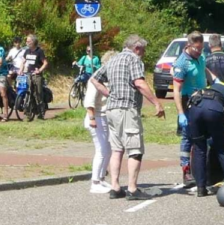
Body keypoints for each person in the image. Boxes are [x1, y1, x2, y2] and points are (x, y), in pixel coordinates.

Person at [90, 34, 166, 200]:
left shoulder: (113, 59)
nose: (143, 54)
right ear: (137, 48)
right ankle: (132, 188)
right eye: (143, 50)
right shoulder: (134, 59)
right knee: (135, 149)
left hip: (111, 109)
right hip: (127, 108)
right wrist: (156, 103)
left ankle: (115, 187)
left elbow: (94, 79)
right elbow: (139, 83)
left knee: (117, 149)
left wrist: (108, 93)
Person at [185, 77, 224, 197]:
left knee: (199, 148)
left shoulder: (217, 85)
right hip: (213, 109)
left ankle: (201, 188)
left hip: (195, 107)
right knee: (221, 148)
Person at [172, 31, 207, 186]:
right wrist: (181, 113)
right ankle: (186, 170)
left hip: (204, 100)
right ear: (189, 45)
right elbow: (176, 90)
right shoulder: (181, 63)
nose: (199, 52)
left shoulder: (201, 56)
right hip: (188, 103)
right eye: (196, 49)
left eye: (201, 48)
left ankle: (203, 168)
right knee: (187, 138)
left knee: (204, 135)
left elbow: (204, 71)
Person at [83, 65, 111, 193]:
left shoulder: (107, 80)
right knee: (101, 150)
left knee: (108, 150)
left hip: (105, 117)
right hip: (97, 117)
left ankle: (101, 178)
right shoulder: (94, 80)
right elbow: (89, 101)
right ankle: (94, 183)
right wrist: (92, 118)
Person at [20, 34, 49, 121]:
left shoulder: (39, 51)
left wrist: (39, 70)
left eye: (28, 41)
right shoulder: (27, 51)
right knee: (29, 91)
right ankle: (29, 111)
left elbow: (45, 63)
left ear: (33, 42)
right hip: (28, 74)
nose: (27, 42)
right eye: (26, 41)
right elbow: (23, 61)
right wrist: (21, 70)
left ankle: (41, 113)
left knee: (38, 93)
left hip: (37, 75)